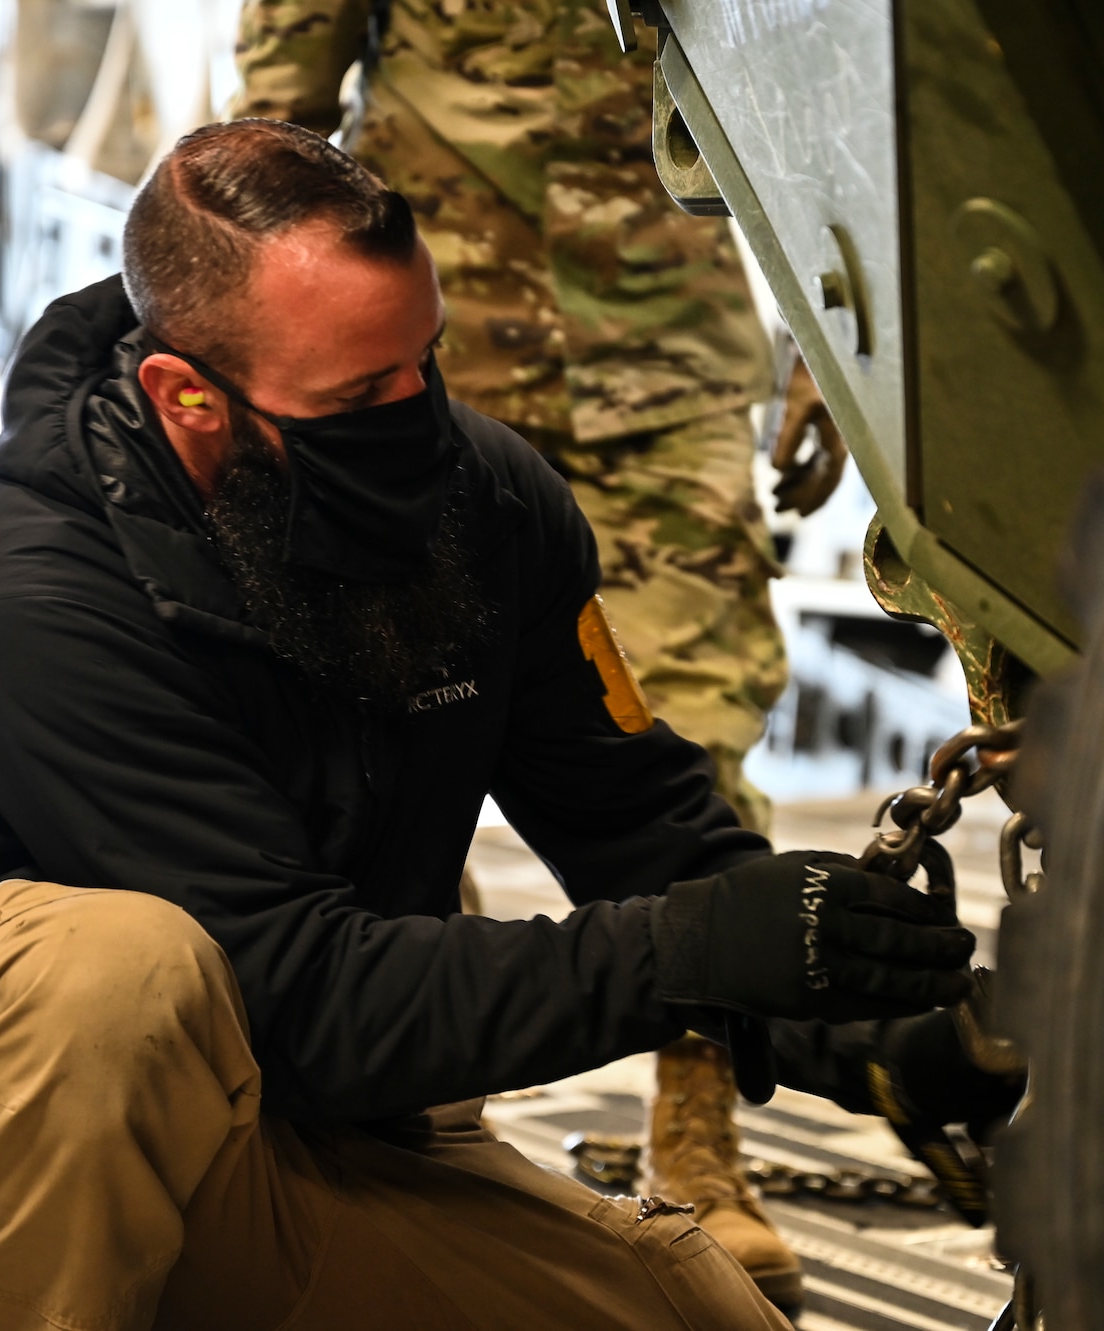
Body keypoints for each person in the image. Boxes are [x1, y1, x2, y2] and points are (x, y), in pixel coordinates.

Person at [0, 120, 1000, 1331]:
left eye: (423, 361)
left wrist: (875, 1020)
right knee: (106, 977)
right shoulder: (28, 594)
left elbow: (637, 826)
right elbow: (300, 991)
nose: (419, 421)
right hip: (27, 1145)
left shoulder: (482, 505)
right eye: (361, 395)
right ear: (186, 396)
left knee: (697, 1317)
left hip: (325, 1122)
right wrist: (680, 953)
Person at [230, 0, 847, 1300]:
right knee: (393, 726)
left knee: (694, 720)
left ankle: (699, 1144)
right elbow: (277, 119)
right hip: (426, 361)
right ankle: (415, 1120)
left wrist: (837, 333)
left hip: (666, 346)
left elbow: (813, 68)